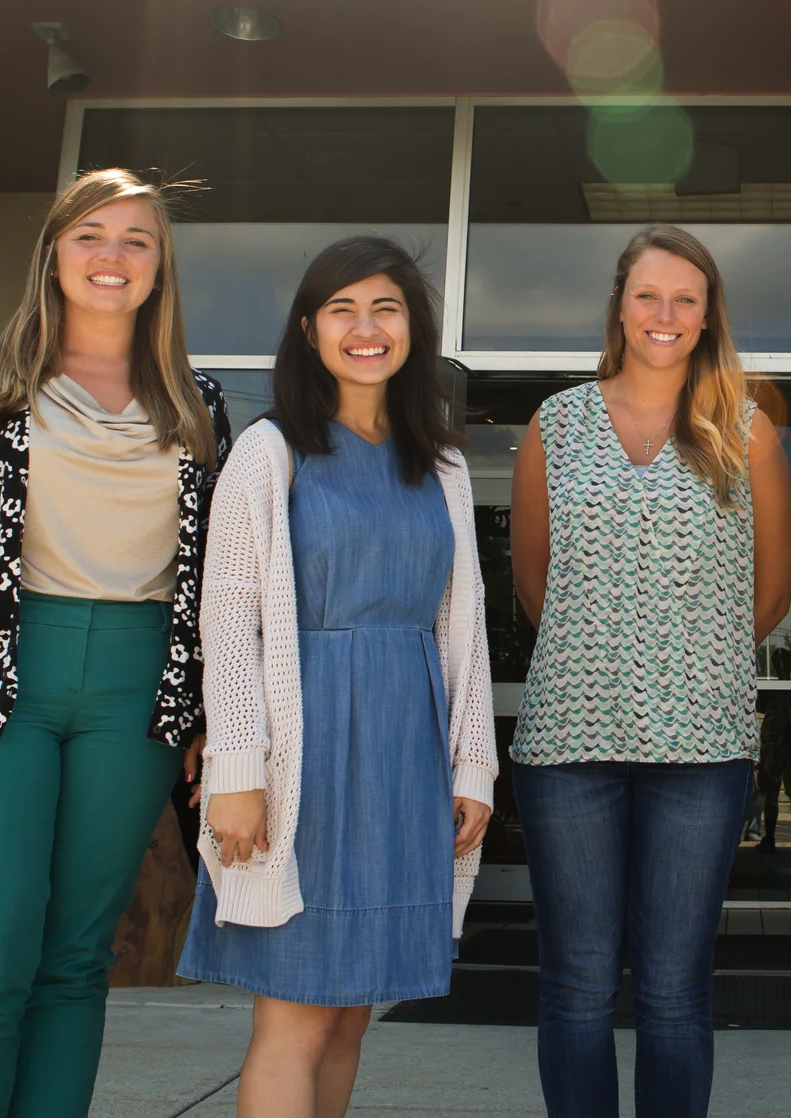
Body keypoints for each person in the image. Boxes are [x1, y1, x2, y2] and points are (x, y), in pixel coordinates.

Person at [0, 168, 231, 1118]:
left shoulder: (199, 404)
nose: (112, 256)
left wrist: (208, 710)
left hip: (137, 686)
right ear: (54, 254)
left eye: (136, 240)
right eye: (90, 236)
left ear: (160, 267)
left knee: (75, 959)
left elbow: (216, 581)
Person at [181, 236, 498, 1118]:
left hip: (405, 751)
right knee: (297, 1014)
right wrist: (238, 770)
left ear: (413, 328)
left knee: (353, 1015)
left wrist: (473, 767)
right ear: (309, 328)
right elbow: (228, 612)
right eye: (343, 309)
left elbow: (460, 621)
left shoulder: (440, 464)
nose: (367, 328)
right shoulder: (271, 449)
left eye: (386, 308)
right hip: (304, 750)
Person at [510, 224, 791, 1118]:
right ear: (619, 306)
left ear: (709, 314)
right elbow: (533, 582)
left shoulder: (746, 430)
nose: (664, 314)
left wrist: (686, 657)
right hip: (568, 744)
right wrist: (608, 649)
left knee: (676, 994)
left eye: (685, 297)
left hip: (701, 749)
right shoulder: (555, 422)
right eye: (647, 295)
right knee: (578, 987)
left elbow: (774, 592)